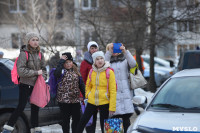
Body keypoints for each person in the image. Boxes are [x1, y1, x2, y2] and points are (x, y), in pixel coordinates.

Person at [2, 32, 47, 133]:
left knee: (36, 106)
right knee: (21, 106)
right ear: (28, 41)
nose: (36, 42)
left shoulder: (40, 54)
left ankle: (35, 129)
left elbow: (44, 69)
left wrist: (42, 77)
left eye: (37, 40)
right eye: (33, 40)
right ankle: (8, 128)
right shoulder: (24, 53)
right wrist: (36, 72)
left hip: (36, 85)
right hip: (26, 84)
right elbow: (21, 71)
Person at [76, 51, 117, 133]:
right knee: (83, 120)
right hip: (92, 101)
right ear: (94, 61)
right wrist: (88, 95)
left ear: (104, 59)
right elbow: (88, 85)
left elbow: (113, 90)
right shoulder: (92, 71)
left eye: (101, 58)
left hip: (105, 102)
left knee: (104, 126)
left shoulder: (109, 72)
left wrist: (112, 107)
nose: (100, 60)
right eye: (97, 59)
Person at [105, 43, 136, 133]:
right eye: (112, 49)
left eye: (115, 48)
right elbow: (103, 65)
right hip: (113, 94)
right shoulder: (107, 62)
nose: (114, 50)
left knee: (126, 119)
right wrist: (109, 52)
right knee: (113, 119)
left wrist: (125, 51)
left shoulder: (125, 60)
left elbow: (133, 64)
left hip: (125, 93)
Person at [54, 52, 85, 133]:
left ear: (72, 62)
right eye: (66, 63)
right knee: (65, 121)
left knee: (77, 119)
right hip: (64, 101)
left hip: (75, 100)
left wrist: (85, 95)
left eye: (70, 62)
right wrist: (61, 61)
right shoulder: (61, 71)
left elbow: (81, 84)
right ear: (63, 63)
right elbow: (56, 74)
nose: (68, 64)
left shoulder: (76, 72)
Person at [80, 41, 99, 133]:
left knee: (96, 116)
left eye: (95, 48)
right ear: (89, 50)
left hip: (100, 93)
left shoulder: (101, 60)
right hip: (89, 93)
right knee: (90, 117)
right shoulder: (85, 62)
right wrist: (84, 94)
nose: (94, 50)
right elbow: (82, 79)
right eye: (92, 48)